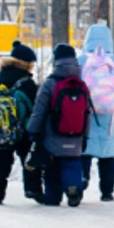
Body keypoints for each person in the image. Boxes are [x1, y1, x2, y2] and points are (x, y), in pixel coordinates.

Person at [27, 43, 93, 206]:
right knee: (72, 164)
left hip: (53, 135)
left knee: (53, 167)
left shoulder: (50, 83)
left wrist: (33, 130)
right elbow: (88, 113)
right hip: (76, 135)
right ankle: (73, 187)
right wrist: (85, 135)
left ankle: (53, 197)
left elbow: (39, 110)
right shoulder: (82, 85)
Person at [0, 41, 43, 205]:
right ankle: (33, 189)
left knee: (0, 161)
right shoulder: (27, 83)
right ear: (26, 63)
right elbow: (34, 106)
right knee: (29, 158)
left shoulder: (3, 76)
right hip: (22, 127)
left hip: (4, 125)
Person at [79, 23, 114, 201]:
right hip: (108, 118)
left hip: (85, 115)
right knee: (107, 156)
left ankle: (81, 182)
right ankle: (107, 192)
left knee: (84, 151)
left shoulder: (82, 61)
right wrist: (112, 104)